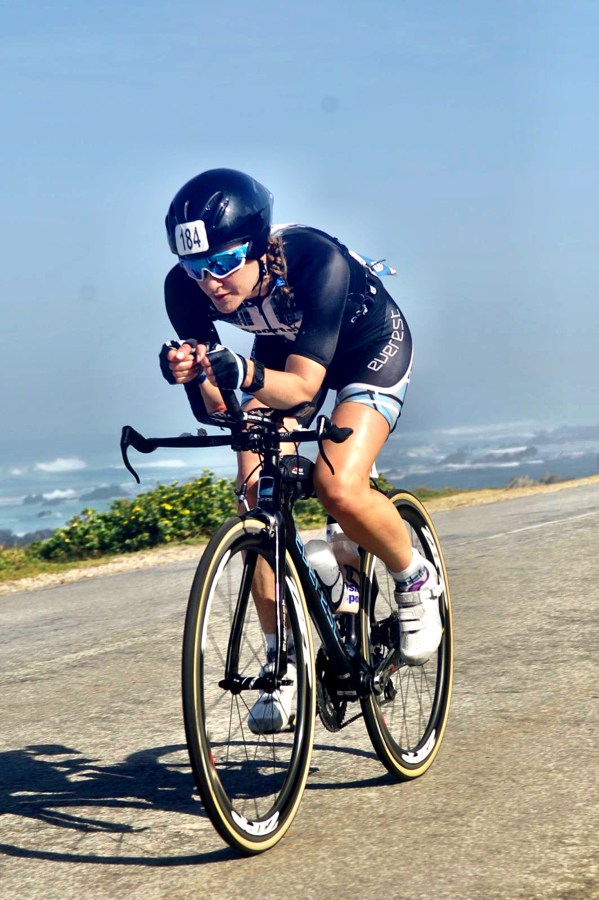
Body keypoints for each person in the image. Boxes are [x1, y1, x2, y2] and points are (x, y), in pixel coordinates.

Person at [160, 168, 442, 733]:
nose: (211, 281)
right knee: (255, 496)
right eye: (196, 266)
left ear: (257, 245)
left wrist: (241, 371)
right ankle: (282, 663)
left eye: (223, 261)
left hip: (367, 347)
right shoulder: (184, 290)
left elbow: (304, 389)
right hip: (287, 353)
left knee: (337, 487)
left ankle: (414, 577)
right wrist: (195, 374)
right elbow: (218, 409)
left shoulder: (315, 261)